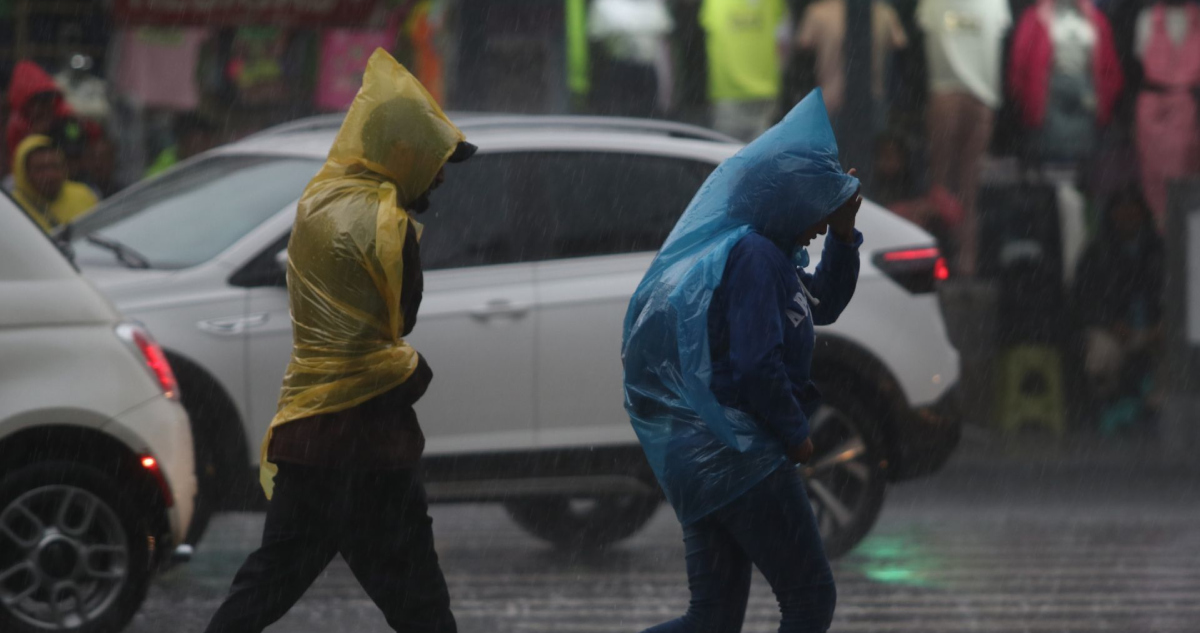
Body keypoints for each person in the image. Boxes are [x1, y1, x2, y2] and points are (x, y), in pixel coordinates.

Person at [201, 49, 473, 633]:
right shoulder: (388, 222)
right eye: (435, 158)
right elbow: (404, 317)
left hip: (308, 430)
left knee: (266, 583)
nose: (442, 174)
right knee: (422, 608)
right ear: (402, 150)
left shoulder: (317, 201)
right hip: (368, 440)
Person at [623, 90, 862, 633]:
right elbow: (757, 365)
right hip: (738, 456)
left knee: (712, 620)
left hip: (705, 457)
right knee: (810, 599)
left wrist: (845, 236)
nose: (822, 221)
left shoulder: (772, 258)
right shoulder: (753, 257)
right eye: (817, 206)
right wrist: (796, 433)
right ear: (785, 201)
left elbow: (822, 303)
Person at [1072, 186, 1164, 435]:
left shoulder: (1159, 251)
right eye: (1121, 214)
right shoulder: (1095, 253)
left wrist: (1162, 325)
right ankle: (1106, 407)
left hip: (1154, 330)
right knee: (1102, 355)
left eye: (1132, 214)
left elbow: (1172, 293)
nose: (1127, 220)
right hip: (1113, 331)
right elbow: (1084, 301)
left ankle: (1154, 409)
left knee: (1172, 358)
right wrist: (1111, 323)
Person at [700, 0, 788, 141]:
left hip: (728, 91)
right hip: (765, 91)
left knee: (727, 156)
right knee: (763, 158)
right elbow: (784, 42)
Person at [11, 135, 98, 233]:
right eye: (40, 169)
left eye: (54, 166)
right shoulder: (12, 209)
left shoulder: (84, 194)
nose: (50, 175)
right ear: (24, 173)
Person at [5, 60, 73, 164]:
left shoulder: (66, 119)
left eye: (48, 99)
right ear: (25, 104)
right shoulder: (16, 127)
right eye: (37, 101)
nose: (44, 107)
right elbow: (16, 162)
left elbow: (76, 147)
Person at [144, 113, 218, 178]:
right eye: (193, 143)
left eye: (203, 142)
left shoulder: (217, 159)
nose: (199, 148)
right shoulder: (165, 165)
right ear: (182, 142)